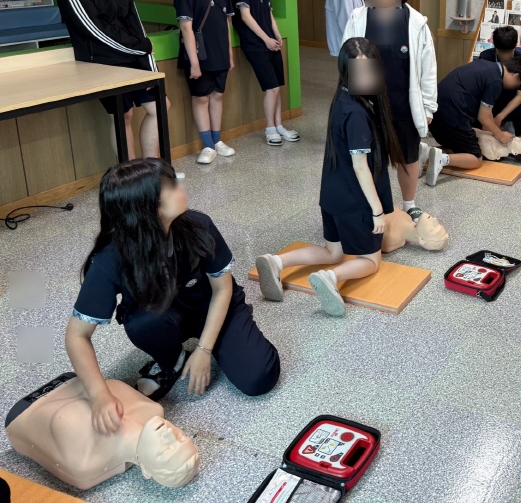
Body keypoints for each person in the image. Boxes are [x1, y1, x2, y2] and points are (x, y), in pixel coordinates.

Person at [65, 159, 280, 414]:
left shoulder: (199, 225)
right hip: (164, 316)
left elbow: (223, 290)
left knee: (259, 378)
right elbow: (77, 335)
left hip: (213, 304)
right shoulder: (111, 258)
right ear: (149, 207)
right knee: (142, 323)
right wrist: (100, 396)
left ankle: (227, 334)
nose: (182, 185)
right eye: (172, 185)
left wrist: (204, 350)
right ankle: (172, 359)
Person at [254, 38, 405, 315]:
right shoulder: (358, 113)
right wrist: (376, 211)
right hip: (356, 202)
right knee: (371, 261)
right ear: (346, 72)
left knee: (333, 252)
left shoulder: (342, 100)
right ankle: (331, 278)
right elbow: (361, 167)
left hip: (332, 197)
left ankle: (277, 261)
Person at [56, 0, 169, 159]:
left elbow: (134, 22)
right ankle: (130, 173)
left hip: (133, 56)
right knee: (123, 115)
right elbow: (93, 28)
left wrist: (148, 63)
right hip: (101, 61)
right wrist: (138, 47)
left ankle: (152, 167)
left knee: (160, 107)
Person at [342, 0, 438, 219]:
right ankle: (376, 205)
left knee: (408, 157)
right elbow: (347, 58)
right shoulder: (359, 18)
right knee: (371, 157)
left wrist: (428, 107)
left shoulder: (416, 22)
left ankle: (409, 204)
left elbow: (428, 69)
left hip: (403, 102)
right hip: (368, 104)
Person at [5, 374, 198, 490]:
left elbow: (38, 443)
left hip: (22, 414)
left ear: (146, 470)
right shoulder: (152, 408)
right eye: (180, 437)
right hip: (73, 377)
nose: (168, 434)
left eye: (165, 450)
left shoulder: (86, 463)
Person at [426, 55, 521, 186]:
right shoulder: (496, 82)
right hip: (452, 115)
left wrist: (492, 128)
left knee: (457, 147)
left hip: (434, 114)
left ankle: (425, 152)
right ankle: (441, 160)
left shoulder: (485, 64)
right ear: (515, 76)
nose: (512, 88)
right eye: (516, 85)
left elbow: (485, 111)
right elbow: (483, 117)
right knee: (475, 159)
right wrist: (500, 135)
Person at [231, 0, 299, 147]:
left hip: (270, 40)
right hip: (255, 43)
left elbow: (268, 13)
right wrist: (266, 39)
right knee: (271, 87)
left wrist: (276, 36)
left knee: (277, 86)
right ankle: (270, 128)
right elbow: (245, 16)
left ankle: (279, 125)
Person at [175, 0, 236, 165]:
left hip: (220, 50)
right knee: (201, 98)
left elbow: (227, 23)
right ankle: (208, 145)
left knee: (217, 95)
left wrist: (229, 54)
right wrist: (194, 62)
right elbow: (186, 27)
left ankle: (217, 140)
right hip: (198, 53)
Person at [477, 25, 521, 136]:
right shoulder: (485, 57)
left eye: (508, 52)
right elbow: (480, 91)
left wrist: (500, 117)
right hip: (488, 103)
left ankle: (510, 125)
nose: (505, 57)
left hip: (512, 104)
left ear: (515, 45)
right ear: (495, 47)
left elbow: (520, 96)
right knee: (472, 120)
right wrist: (487, 118)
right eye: (501, 52)